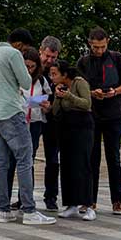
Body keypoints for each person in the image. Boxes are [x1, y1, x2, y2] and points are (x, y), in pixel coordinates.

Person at [0, 28, 55, 225]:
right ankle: (28, 210)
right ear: (19, 44)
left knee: (1, 161)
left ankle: (3, 210)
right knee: (24, 159)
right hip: (11, 113)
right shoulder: (13, 54)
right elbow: (26, 81)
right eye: (25, 50)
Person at [76, 27, 121, 215]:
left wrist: (114, 91)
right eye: (95, 47)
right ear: (89, 44)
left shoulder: (117, 58)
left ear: (108, 42)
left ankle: (117, 200)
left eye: (102, 46)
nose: (99, 50)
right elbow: (78, 86)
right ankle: (89, 200)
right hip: (92, 114)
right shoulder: (83, 61)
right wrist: (92, 93)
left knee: (113, 159)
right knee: (92, 159)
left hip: (113, 114)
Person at [6, 48, 51, 210]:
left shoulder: (42, 81)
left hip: (34, 124)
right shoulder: (13, 79)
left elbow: (48, 99)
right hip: (17, 123)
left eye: (32, 67)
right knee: (10, 161)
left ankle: (24, 198)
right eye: (25, 66)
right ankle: (5, 198)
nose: (29, 70)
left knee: (28, 161)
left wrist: (45, 105)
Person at [51, 60, 96, 221]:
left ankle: (89, 204)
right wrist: (58, 96)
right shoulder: (59, 87)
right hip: (66, 127)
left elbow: (87, 103)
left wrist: (68, 95)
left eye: (55, 73)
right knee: (67, 165)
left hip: (82, 126)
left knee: (82, 164)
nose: (52, 77)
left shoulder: (79, 82)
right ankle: (71, 204)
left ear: (64, 74)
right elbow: (55, 110)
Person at [38, 35, 62, 211]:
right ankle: (23, 197)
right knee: (26, 158)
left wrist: (52, 105)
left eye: (53, 57)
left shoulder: (59, 70)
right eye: (47, 56)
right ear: (41, 51)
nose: (50, 60)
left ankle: (51, 196)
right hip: (32, 117)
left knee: (53, 159)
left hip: (52, 119)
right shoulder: (32, 67)